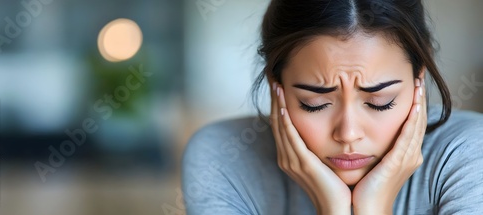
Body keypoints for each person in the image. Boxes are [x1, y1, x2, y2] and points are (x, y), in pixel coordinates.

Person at [182, 0, 483, 214]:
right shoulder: (223, 158)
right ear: (278, 87)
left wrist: (374, 209)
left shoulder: (468, 156)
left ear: (420, 75)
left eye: (380, 102)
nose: (348, 133)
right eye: (315, 103)